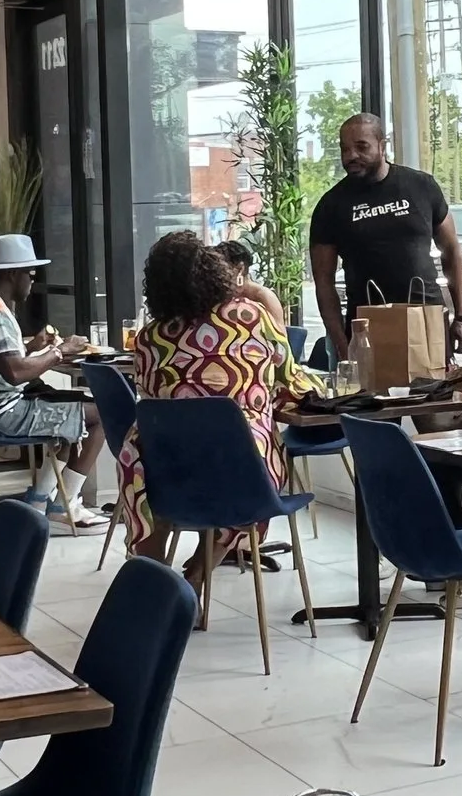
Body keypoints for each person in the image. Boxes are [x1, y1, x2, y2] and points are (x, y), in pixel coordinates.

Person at [118, 232, 320, 578]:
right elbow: (292, 378)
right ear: (212, 271)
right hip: (243, 468)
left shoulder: (149, 338)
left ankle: (153, 576)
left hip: (168, 472)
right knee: (245, 452)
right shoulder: (252, 317)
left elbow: (150, 394)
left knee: (153, 451)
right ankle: (197, 574)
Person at [0, 233, 108, 530]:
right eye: (31, 275)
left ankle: (38, 501)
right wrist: (61, 351)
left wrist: (33, 348)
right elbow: (14, 373)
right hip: (5, 413)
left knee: (70, 408)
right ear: (13, 274)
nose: (32, 283)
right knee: (102, 414)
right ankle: (65, 505)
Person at [307, 114, 462, 366]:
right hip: (367, 326)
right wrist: (342, 347)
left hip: (426, 318)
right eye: (345, 149)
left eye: (361, 146)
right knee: (375, 391)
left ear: (382, 145)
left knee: (434, 388)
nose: (351, 156)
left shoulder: (421, 186)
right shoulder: (331, 206)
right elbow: (324, 283)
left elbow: (452, 250)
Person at [213, 238, 290, 329]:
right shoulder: (221, 294)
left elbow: (280, 334)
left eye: (224, 270)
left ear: (240, 268)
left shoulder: (264, 296)